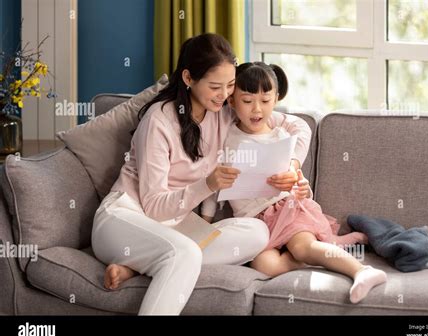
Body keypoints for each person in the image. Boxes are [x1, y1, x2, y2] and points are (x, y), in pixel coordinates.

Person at [91, 33, 312, 315]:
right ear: (188, 78)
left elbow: (299, 126)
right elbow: (154, 208)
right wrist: (206, 184)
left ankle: (138, 265)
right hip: (125, 219)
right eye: (215, 86)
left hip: (177, 230)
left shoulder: (224, 111)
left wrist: (293, 164)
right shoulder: (159, 120)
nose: (225, 95)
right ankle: (148, 259)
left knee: (257, 232)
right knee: (185, 253)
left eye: (230, 85)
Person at [202, 62, 387, 304]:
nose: (256, 109)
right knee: (265, 265)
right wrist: (204, 223)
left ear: (276, 99)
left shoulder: (281, 137)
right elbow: (211, 185)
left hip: (286, 211)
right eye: (247, 101)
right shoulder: (225, 138)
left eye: (265, 101)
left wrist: (301, 186)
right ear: (232, 101)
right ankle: (335, 245)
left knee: (302, 247)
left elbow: (299, 184)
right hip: (254, 223)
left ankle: (361, 271)